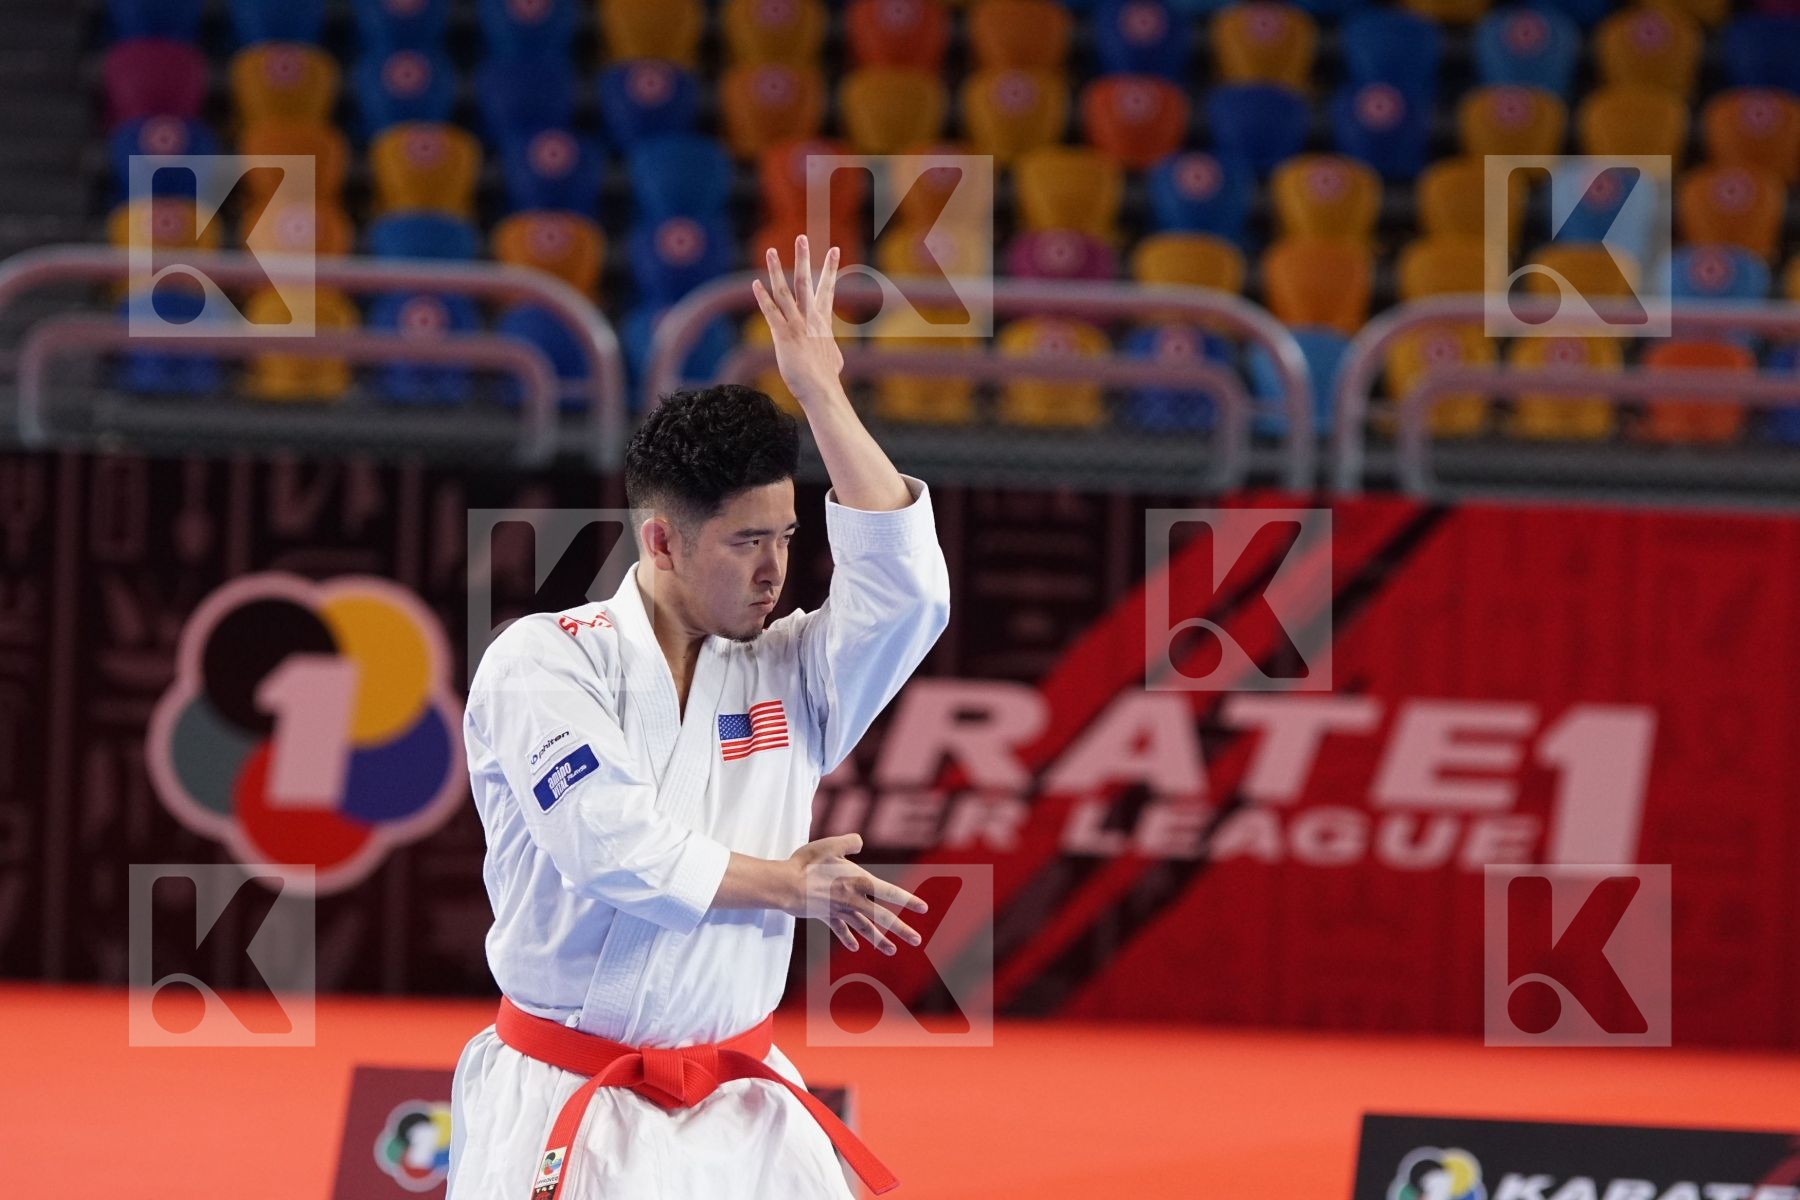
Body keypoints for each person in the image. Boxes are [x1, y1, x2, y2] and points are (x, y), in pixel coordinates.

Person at [448, 237, 952, 1200]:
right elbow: (612, 849)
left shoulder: (790, 668)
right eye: (748, 543)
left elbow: (908, 593)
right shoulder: (544, 661)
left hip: (744, 1109)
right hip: (571, 1094)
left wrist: (822, 395)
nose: (776, 572)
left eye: (789, 539)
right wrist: (791, 886)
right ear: (663, 541)